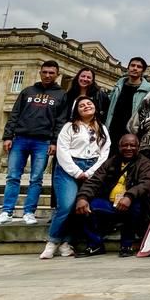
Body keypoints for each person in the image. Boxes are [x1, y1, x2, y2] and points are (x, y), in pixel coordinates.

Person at [0, 60, 65, 227]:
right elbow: (15, 114)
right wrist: (8, 136)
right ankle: (6, 212)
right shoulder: (27, 91)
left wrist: (54, 142)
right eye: (45, 72)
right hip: (20, 138)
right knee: (12, 177)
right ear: (40, 72)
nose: (47, 75)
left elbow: (61, 121)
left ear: (57, 75)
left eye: (51, 73)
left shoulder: (61, 95)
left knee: (36, 178)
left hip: (43, 141)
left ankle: (29, 212)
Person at [40, 97, 111, 258]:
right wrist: (77, 172)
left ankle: (66, 242)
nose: (86, 106)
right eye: (82, 105)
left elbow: (104, 153)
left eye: (89, 104)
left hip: (92, 168)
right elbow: (62, 151)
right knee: (66, 205)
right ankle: (52, 241)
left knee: (81, 207)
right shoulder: (68, 127)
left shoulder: (102, 128)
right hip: (68, 168)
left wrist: (91, 172)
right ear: (76, 110)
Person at [74, 133, 150, 257]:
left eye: (132, 145)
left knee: (135, 206)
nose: (129, 148)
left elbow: (146, 184)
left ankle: (127, 245)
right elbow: (94, 180)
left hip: (133, 205)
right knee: (88, 206)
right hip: (110, 204)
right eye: (125, 145)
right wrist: (82, 197)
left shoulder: (145, 164)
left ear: (138, 147)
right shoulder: (111, 162)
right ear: (119, 147)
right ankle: (95, 245)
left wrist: (129, 196)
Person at [106, 57, 150, 148]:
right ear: (128, 68)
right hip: (113, 128)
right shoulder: (119, 84)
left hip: (132, 132)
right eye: (132, 65)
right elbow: (109, 103)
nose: (135, 68)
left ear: (143, 71)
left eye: (139, 67)